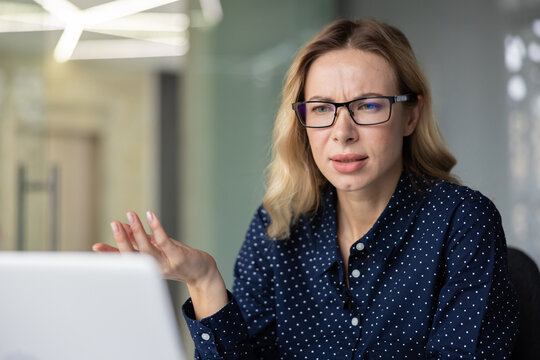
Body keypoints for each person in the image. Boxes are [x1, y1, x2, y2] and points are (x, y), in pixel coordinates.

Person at [93, 19, 519, 359]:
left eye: (368, 105)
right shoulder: (277, 225)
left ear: (410, 116)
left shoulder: (462, 221)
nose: (342, 132)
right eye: (321, 109)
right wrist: (203, 280)